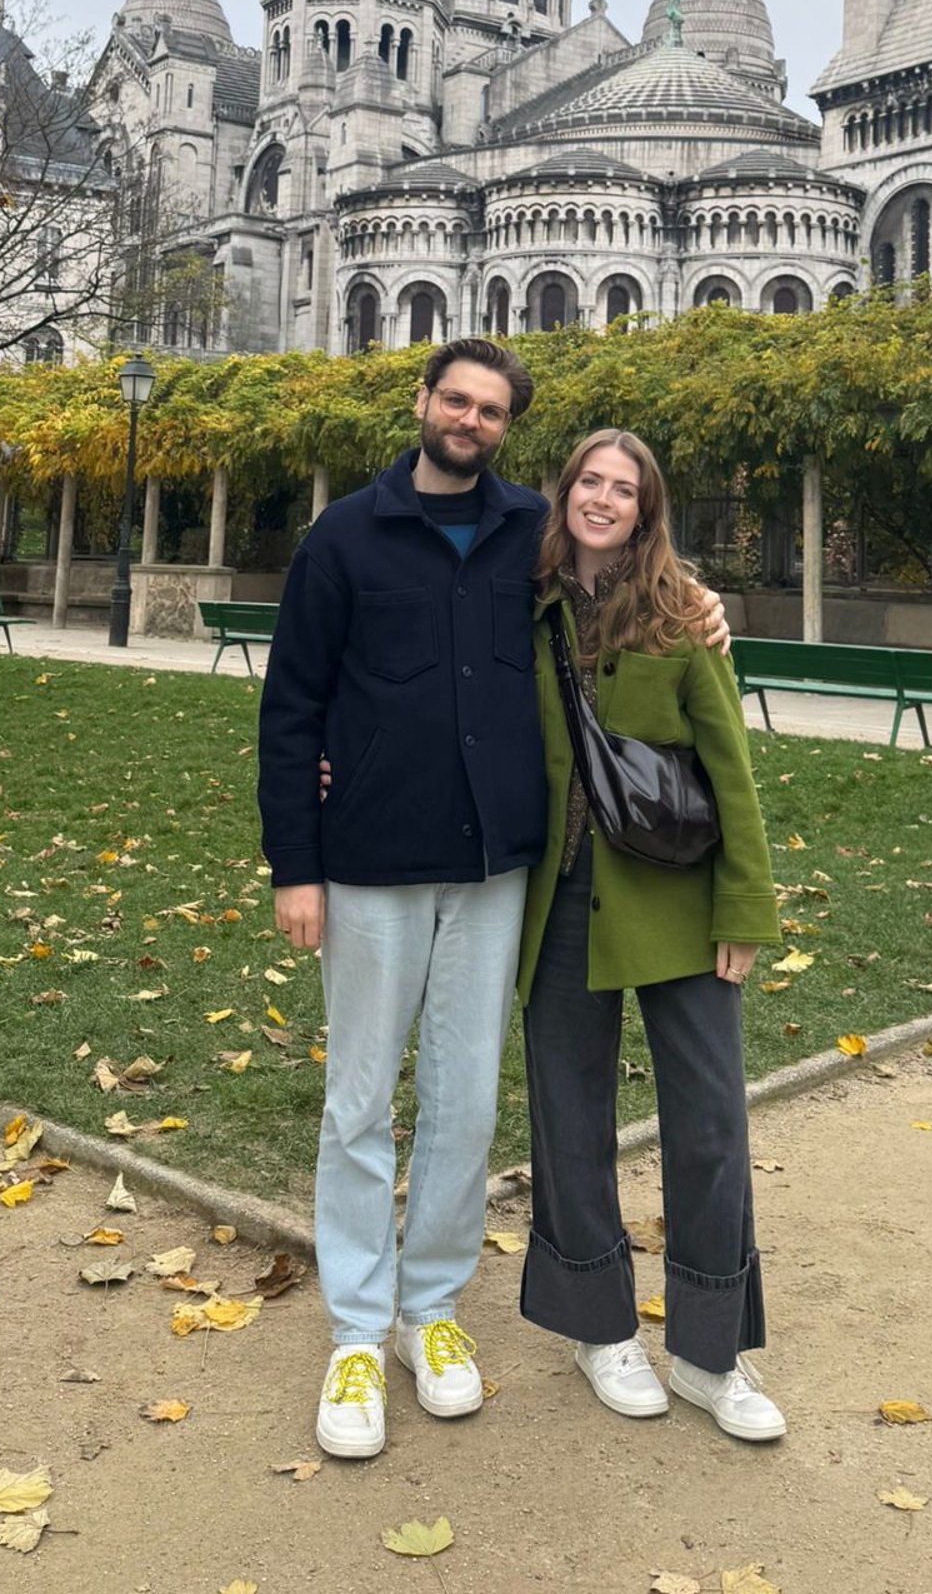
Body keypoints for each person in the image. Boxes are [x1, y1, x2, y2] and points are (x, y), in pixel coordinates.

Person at [261, 342, 728, 1464]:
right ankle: (359, 1331)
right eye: (455, 399)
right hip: (369, 858)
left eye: (491, 409)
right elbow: (291, 707)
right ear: (423, 404)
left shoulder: (534, 532)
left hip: (495, 866)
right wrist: (296, 866)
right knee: (361, 1097)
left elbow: (632, 579)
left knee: (468, 1102)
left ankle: (432, 1310)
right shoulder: (342, 537)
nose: (470, 419)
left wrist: (710, 604)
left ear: (508, 426)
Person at [517, 429, 785, 1444]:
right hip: (559, 900)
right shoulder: (525, 602)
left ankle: (714, 1351)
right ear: (566, 491)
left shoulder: (682, 613)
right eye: (589, 479)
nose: (603, 498)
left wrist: (744, 910)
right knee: (569, 1122)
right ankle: (599, 1325)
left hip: (675, 896)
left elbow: (732, 770)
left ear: (646, 508)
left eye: (623, 488)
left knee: (710, 1125)